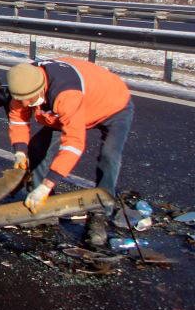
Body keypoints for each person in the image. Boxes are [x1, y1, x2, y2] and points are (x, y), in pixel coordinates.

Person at [7, 58, 134, 249]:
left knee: (109, 156)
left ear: (41, 88)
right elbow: (18, 120)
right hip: (68, 109)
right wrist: (20, 152)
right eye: (21, 100)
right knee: (37, 147)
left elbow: (73, 145)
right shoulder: (23, 82)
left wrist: (47, 185)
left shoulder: (66, 95)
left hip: (112, 106)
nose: (25, 104)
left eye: (30, 100)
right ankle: (45, 209)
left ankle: (99, 212)